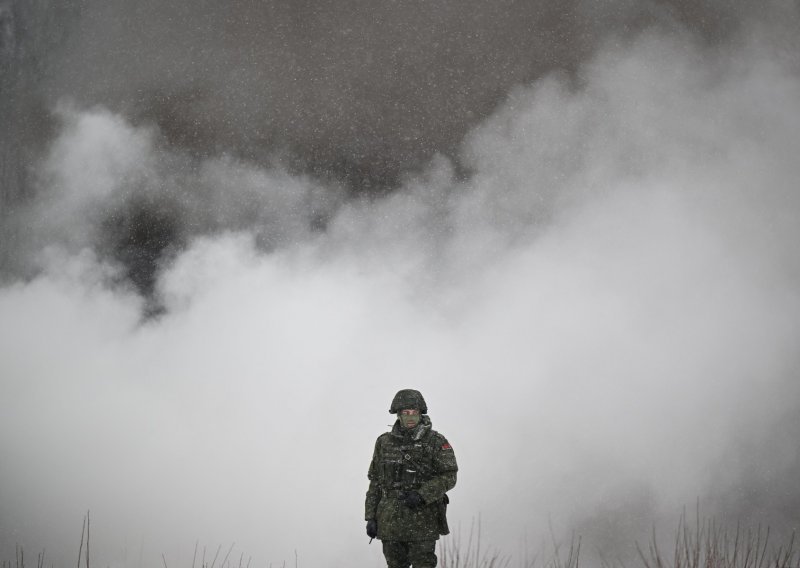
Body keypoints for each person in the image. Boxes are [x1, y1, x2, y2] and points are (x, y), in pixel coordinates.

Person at [365, 389, 458, 568]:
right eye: (406, 413)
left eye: (414, 413)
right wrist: (370, 517)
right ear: (398, 415)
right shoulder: (384, 442)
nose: (410, 417)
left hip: (422, 522)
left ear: (421, 414)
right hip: (390, 522)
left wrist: (423, 494)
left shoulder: (436, 442)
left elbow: (449, 475)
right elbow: (375, 481)